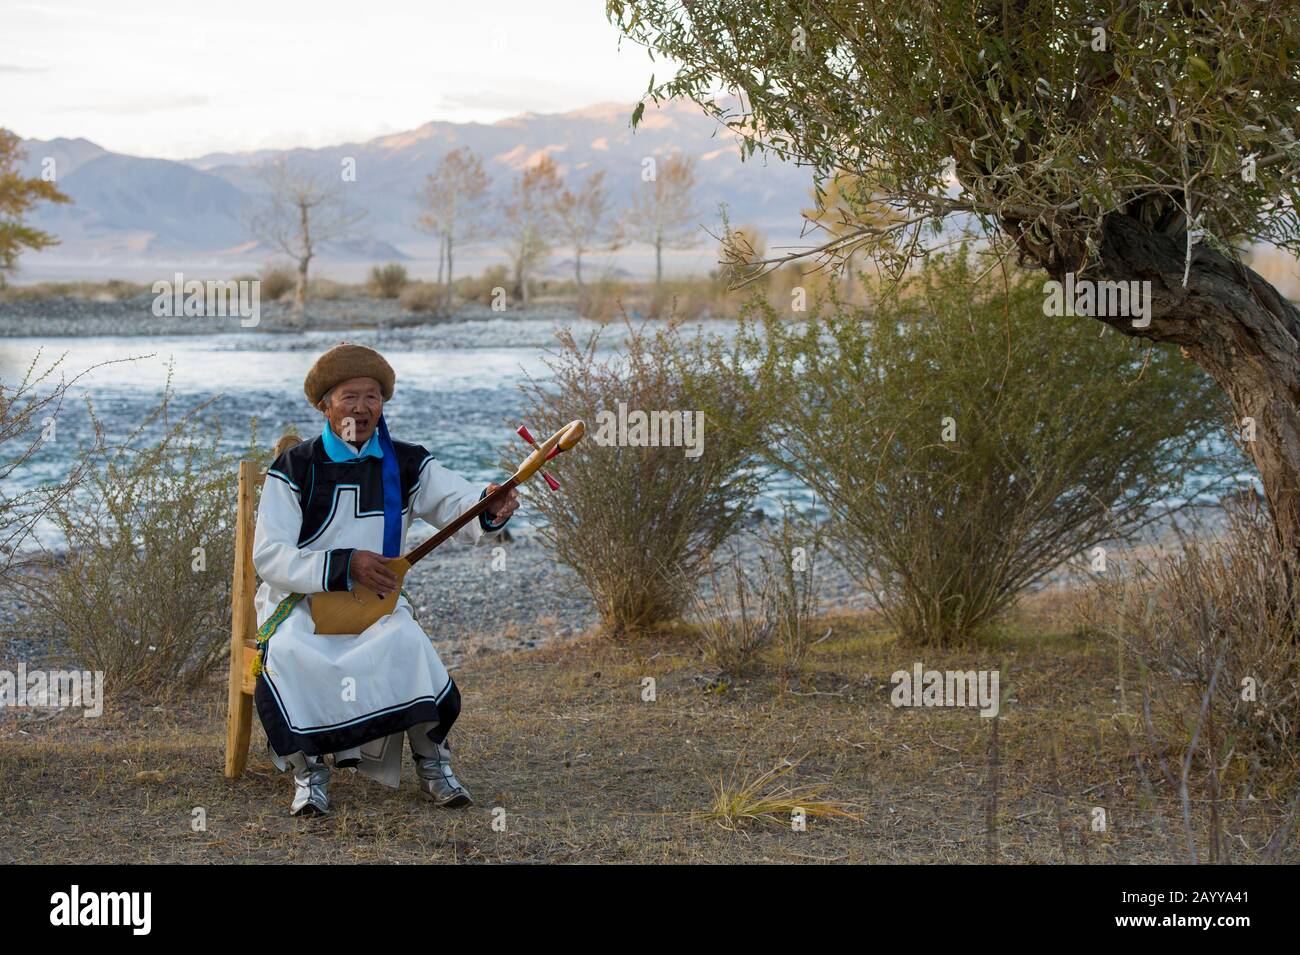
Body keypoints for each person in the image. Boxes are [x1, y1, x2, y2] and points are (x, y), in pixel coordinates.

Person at [251, 342, 518, 815]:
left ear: (383, 404)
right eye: (349, 396)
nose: (361, 407)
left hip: (375, 606)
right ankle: (309, 774)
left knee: (407, 641)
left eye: (372, 396)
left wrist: (489, 504)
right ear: (325, 405)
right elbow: (269, 557)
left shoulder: (408, 462)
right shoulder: (294, 468)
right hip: (301, 604)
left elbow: (459, 505)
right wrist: (343, 564)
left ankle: (434, 766)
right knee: (291, 650)